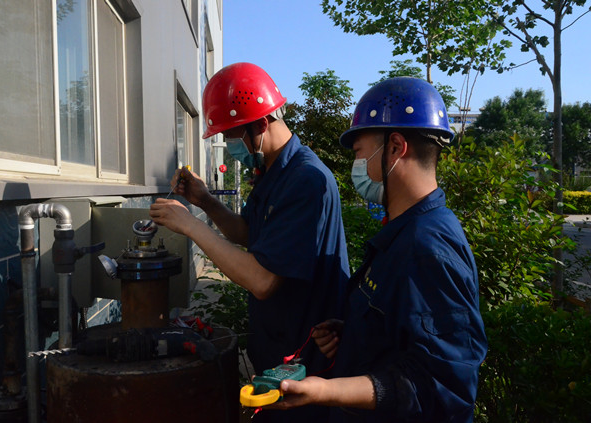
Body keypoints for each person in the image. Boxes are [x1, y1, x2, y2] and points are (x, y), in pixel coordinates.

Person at [269, 77, 488, 422]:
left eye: (359, 152)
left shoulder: (427, 248)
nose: (356, 165)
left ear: (395, 147)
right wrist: (356, 334)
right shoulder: (405, 232)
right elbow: (405, 335)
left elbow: (441, 386)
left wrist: (325, 391)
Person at [149, 62, 350, 422]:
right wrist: (205, 201)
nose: (229, 146)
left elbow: (263, 280)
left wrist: (191, 226)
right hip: (277, 345)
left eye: (231, 135)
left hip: (305, 358)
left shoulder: (306, 180)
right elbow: (247, 232)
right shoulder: (273, 171)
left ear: (260, 125)